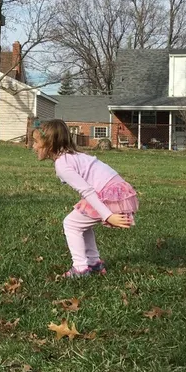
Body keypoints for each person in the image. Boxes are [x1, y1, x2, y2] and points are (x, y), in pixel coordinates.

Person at [31, 119, 138, 278]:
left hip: (108, 194)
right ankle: (94, 264)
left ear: (50, 144)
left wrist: (107, 215)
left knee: (71, 224)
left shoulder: (62, 164)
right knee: (81, 224)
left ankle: (80, 268)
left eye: (36, 142)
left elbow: (87, 191)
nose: (33, 146)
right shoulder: (72, 156)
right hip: (114, 190)